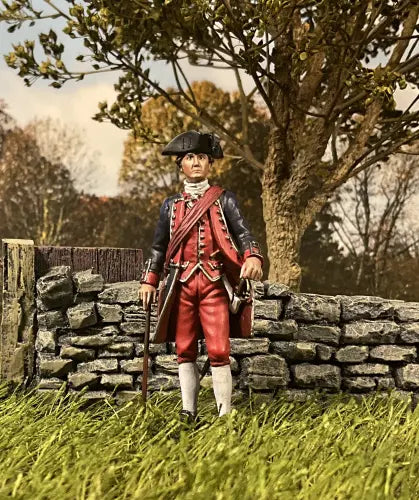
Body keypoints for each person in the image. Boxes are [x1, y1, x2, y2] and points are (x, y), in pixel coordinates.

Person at [139, 130, 263, 421]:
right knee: (184, 349)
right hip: (181, 286)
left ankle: (225, 415)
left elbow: (244, 233)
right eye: (190, 157)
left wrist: (253, 255)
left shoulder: (223, 200)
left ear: (210, 164)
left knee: (219, 349)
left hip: (213, 285)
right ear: (180, 164)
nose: (196, 163)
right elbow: (159, 248)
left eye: (202, 158)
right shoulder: (170, 206)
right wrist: (149, 279)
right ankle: (188, 411)